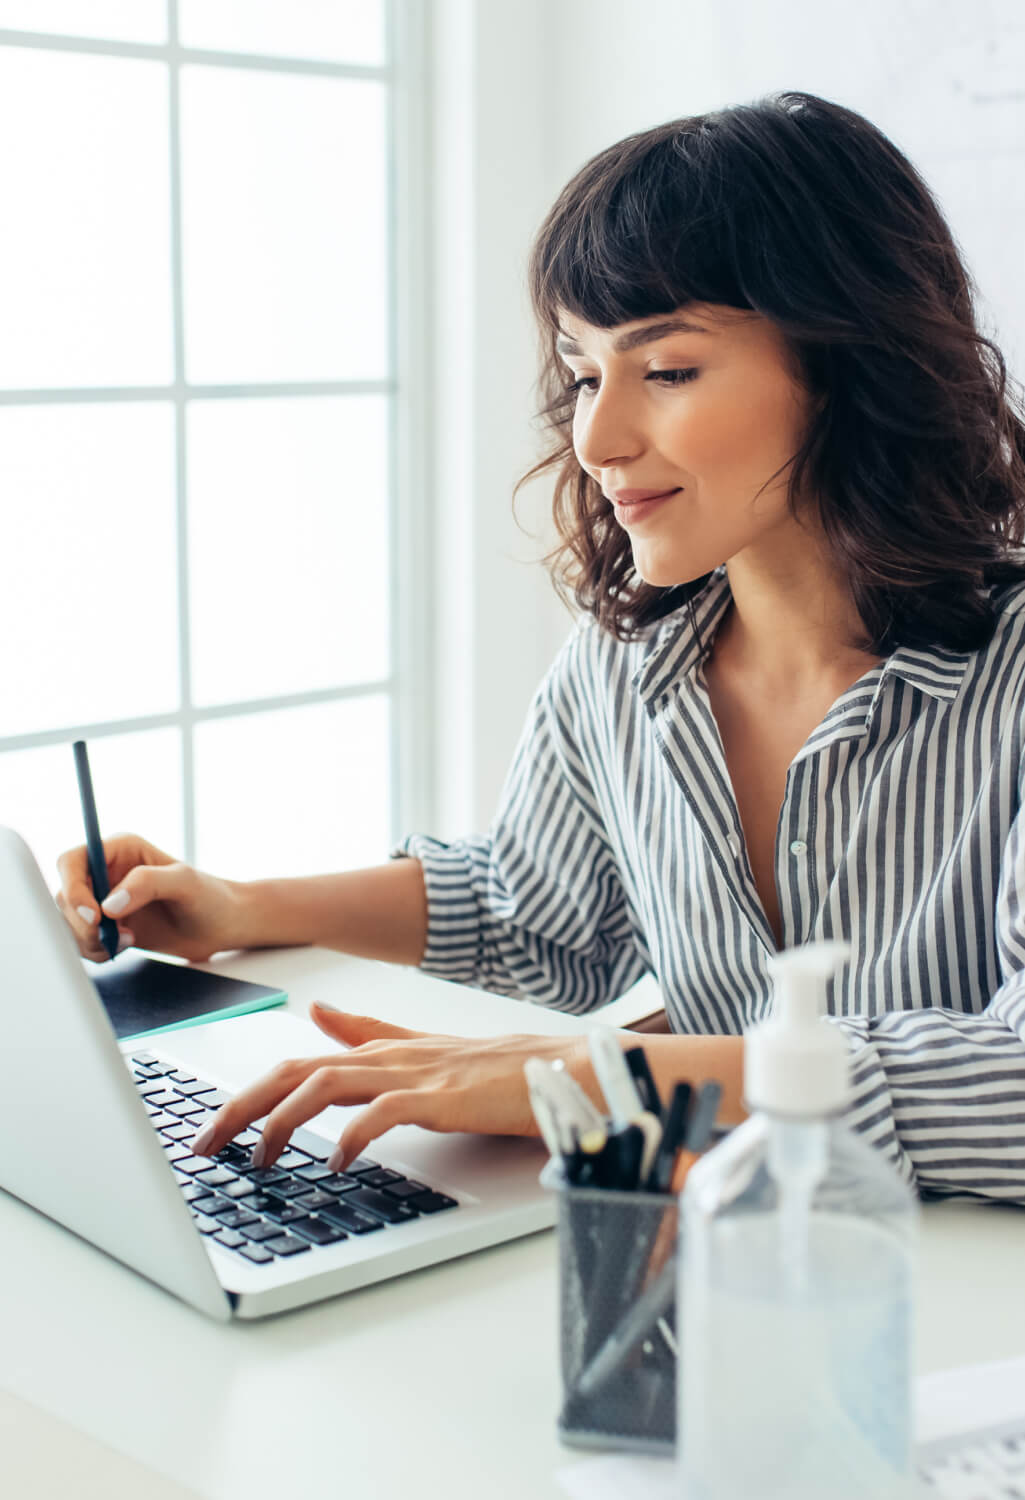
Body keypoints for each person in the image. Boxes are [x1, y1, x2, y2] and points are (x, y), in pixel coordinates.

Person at [57, 90, 1025, 1202]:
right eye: (580, 371)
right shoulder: (626, 662)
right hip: (708, 1272)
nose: (599, 437)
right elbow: (530, 906)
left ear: (849, 367)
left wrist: (601, 1079)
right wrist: (243, 906)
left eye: (665, 370)